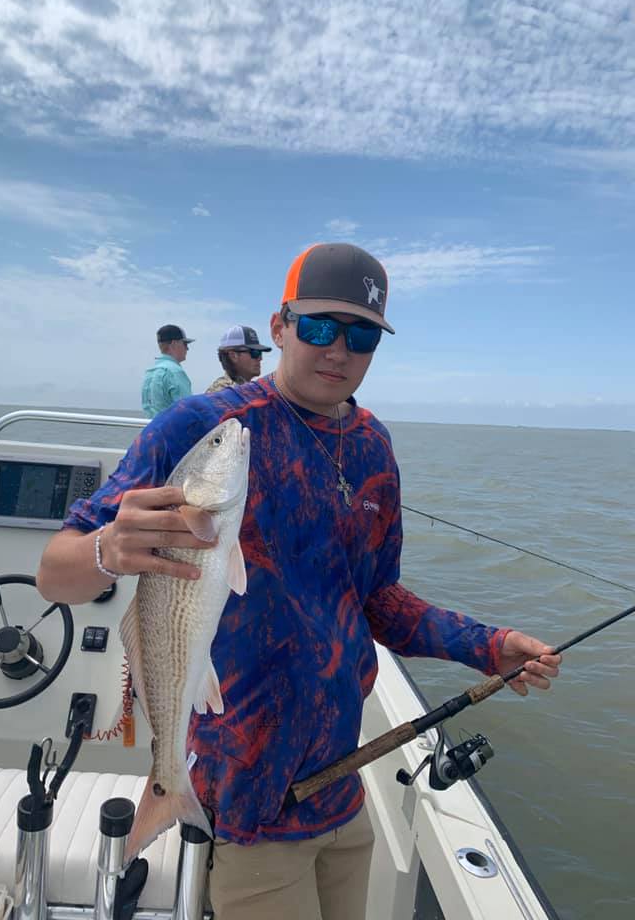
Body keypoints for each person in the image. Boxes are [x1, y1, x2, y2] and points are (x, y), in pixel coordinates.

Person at [37, 242, 561, 920]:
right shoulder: (204, 428)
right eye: (317, 326)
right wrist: (109, 547)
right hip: (252, 808)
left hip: (343, 791)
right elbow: (56, 574)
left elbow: (378, 602)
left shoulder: (374, 447)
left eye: (361, 334)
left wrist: (488, 646)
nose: (337, 349)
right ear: (280, 326)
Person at [141, 324, 194, 417]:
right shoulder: (175, 372)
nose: (187, 348)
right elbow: (187, 411)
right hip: (172, 430)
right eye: (185, 344)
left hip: (151, 429)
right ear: (174, 344)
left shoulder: (150, 372)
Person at [205, 324, 272, 393]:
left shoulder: (246, 390)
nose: (260, 358)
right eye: (255, 352)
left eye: (260, 353)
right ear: (233, 356)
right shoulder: (223, 393)